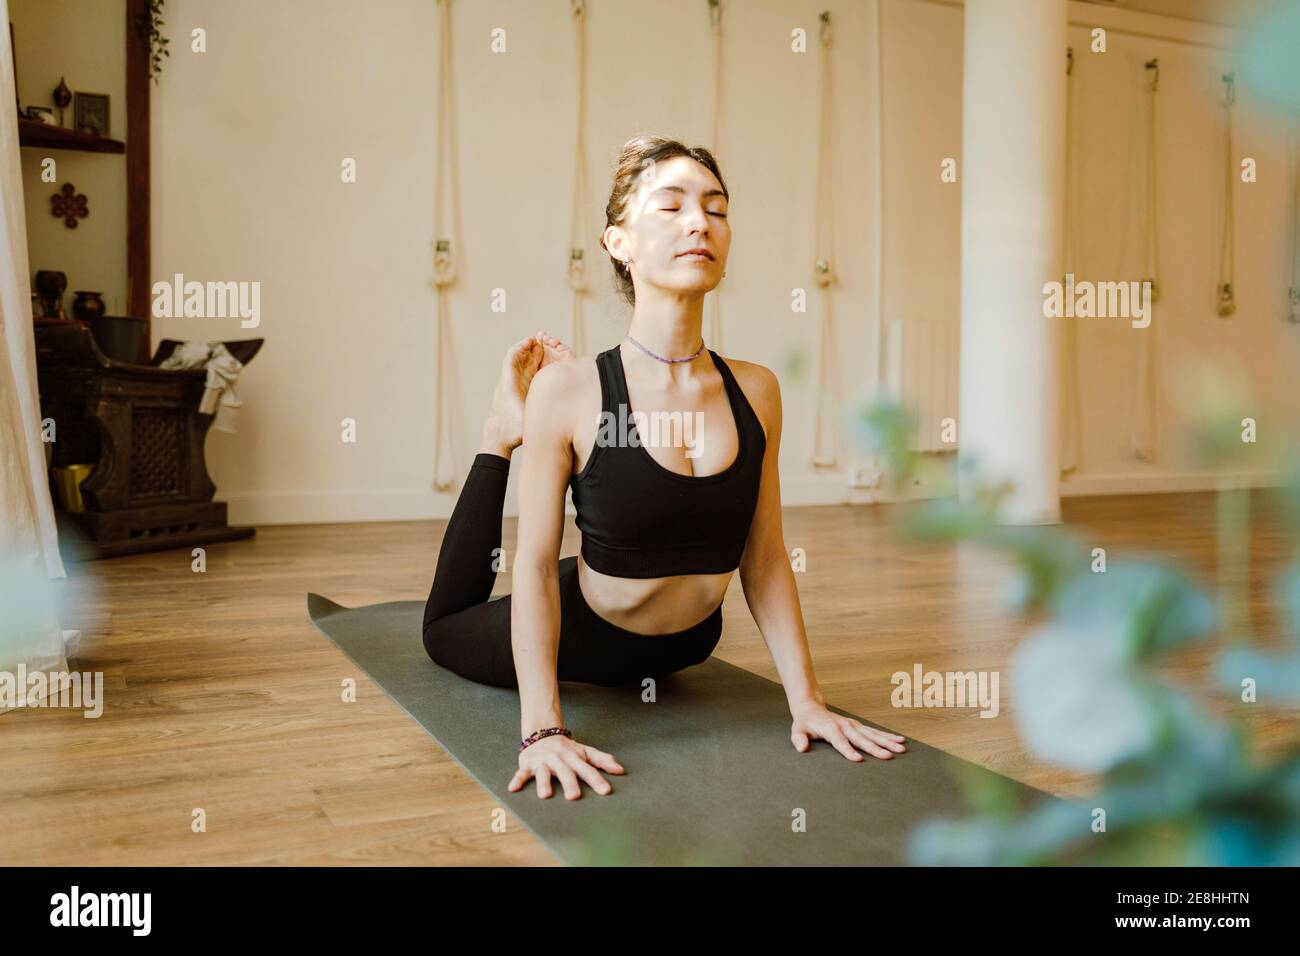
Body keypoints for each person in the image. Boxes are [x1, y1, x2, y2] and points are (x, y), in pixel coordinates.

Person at [421, 135, 905, 801]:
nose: (698, 221)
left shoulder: (757, 390)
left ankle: (509, 430)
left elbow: (763, 556)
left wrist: (809, 701)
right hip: (586, 636)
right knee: (443, 630)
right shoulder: (571, 391)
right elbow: (533, 564)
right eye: (670, 206)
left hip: (689, 643)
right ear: (618, 242)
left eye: (715, 207)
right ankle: (498, 434)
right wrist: (542, 731)